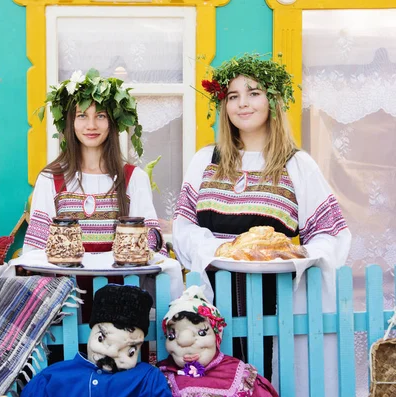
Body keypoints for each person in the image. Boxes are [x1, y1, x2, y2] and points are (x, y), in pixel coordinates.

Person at [172, 54, 351, 394]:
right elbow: (183, 227)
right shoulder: (205, 160)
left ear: (272, 100)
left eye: (253, 93)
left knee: (269, 383)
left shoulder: (296, 164)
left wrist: (296, 253)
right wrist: (220, 249)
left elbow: (331, 234)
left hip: (277, 303)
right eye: (233, 96)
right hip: (212, 298)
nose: (243, 104)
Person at [23, 68, 164, 255]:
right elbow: (36, 251)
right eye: (82, 116)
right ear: (70, 122)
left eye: (100, 116)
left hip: (122, 283)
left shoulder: (133, 179)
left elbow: (149, 249)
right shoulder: (51, 180)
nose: (91, 125)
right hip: (65, 283)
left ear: (112, 122)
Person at [21, 284, 172, 397]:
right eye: (102, 339)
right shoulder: (53, 378)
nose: (112, 353)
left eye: (130, 351)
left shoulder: (148, 379)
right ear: (91, 334)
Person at [157, 285, 278, 397]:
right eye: (172, 336)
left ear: (217, 336)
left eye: (202, 332)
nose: (185, 343)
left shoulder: (238, 374)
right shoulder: (161, 377)